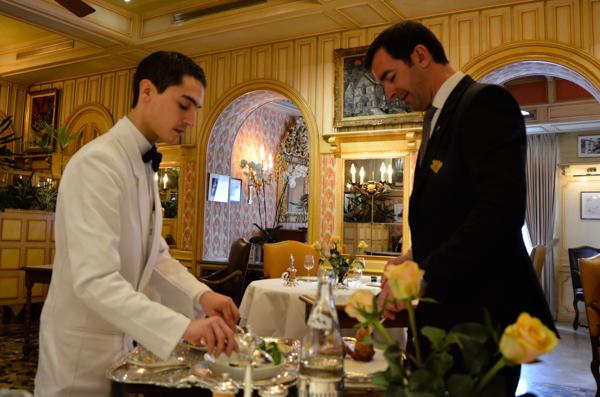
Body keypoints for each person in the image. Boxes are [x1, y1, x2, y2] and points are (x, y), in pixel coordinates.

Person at [365, 21, 558, 395]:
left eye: (390, 77)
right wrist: (413, 256)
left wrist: (424, 274)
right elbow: (450, 215)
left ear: (420, 56)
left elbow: (499, 212)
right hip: (443, 317)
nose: (388, 93)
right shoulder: (432, 119)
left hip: (477, 323)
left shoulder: (485, 102)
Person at [35, 51, 240, 397]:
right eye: (184, 104)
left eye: (195, 109)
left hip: (120, 346)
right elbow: (94, 279)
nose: (191, 119)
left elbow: (155, 257)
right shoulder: (97, 163)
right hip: (79, 356)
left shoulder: (142, 164)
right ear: (147, 91)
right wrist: (183, 327)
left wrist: (202, 295)